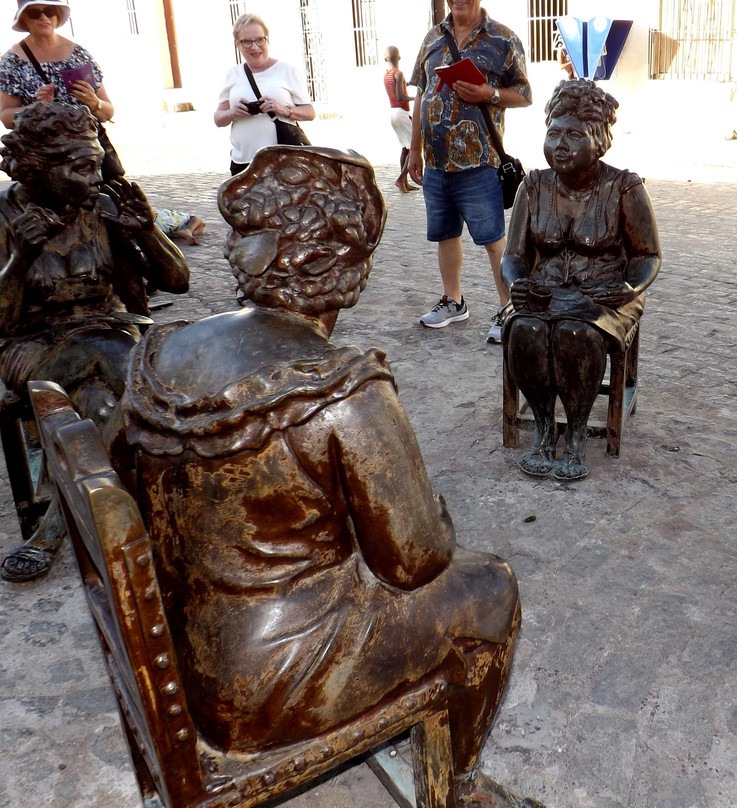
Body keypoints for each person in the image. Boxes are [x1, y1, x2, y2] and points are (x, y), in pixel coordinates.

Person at [120, 145, 544, 808]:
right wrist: (430, 513)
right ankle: (463, 789)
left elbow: (132, 484)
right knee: (490, 589)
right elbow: (415, 561)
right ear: (339, 263)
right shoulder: (341, 388)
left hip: (184, 660)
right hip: (274, 686)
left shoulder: (159, 352)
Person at [0, 102, 189, 582]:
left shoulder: (100, 206)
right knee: (115, 354)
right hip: (34, 348)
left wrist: (147, 229)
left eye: (96, 162)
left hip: (113, 336)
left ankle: (53, 530)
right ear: (39, 168)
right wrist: (21, 257)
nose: (95, 176)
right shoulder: (4, 215)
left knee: (102, 408)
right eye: (81, 166)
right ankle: (185, 485)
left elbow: (178, 282)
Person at [501, 79, 661, 481]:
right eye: (554, 132)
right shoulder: (533, 186)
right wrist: (518, 282)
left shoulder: (625, 187)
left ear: (600, 139)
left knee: (575, 334)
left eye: (575, 134)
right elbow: (514, 256)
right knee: (525, 330)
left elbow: (648, 255)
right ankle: (543, 428)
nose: (561, 144)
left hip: (603, 294)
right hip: (544, 289)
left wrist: (627, 289)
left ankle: (574, 434)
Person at [408, 0, 531, 343]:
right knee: (445, 234)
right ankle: (454, 301)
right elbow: (422, 93)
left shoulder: (503, 39)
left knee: (494, 241)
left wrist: (487, 93)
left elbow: (523, 94)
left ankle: (510, 310)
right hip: (435, 162)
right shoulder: (433, 37)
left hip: (479, 161)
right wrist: (414, 149)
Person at [0, 1, 121, 178]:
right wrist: (37, 108)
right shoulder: (12, 62)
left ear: (57, 17)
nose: (44, 17)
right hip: (45, 160)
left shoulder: (79, 54)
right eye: (34, 13)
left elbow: (108, 112)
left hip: (87, 158)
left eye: (49, 12)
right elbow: (6, 117)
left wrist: (94, 103)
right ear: (24, 19)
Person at [213, 12, 315, 176]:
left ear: (267, 40)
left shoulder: (287, 71)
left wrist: (284, 110)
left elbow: (310, 113)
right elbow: (218, 119)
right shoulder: (233, 74)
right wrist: (233, 112)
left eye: (260, 39)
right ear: (238, 44)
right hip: (244, 163)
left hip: (282, 160)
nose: (255, 47)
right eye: (247, 41)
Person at [383, 45, 417, 194]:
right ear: (400, 58)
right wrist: (416, 98)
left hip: (393, 113)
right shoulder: (399, 73)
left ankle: (405, 182)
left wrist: (407, 84)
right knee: (414, 147)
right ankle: (401, 179)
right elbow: (400, 97)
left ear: (385, 59)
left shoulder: (387, 75)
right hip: (402, 113)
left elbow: (397, 89)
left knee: (405, 147)